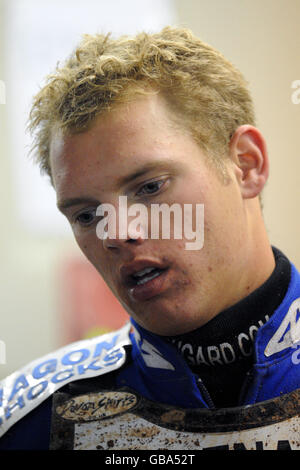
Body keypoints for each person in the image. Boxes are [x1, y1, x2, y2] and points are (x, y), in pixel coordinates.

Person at [1, 26, 300, 450]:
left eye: (149, 187)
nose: (117, 233)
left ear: (246, 165)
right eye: (87, 214)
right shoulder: (31, 423)